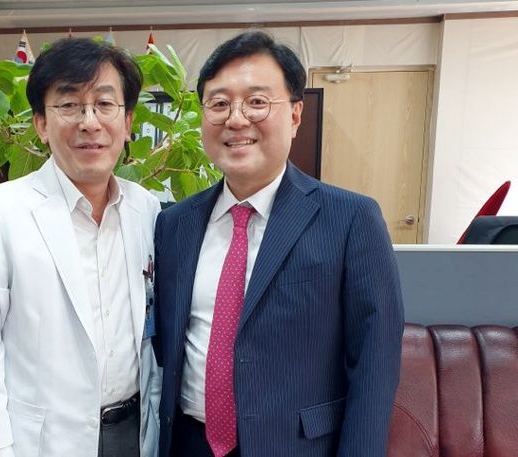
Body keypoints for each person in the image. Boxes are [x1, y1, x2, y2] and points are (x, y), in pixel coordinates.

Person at [153, 30, 404, 457]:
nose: (236, 119)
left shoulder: (351, 219)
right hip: (189, 443)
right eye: (219, 104)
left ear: (295, 115)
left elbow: (375, 364)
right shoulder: (174, 224)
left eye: (257, 101)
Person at [0, 38, 161, 457]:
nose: (89, 122)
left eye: (104, 104)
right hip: (43, 441)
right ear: (42, 124)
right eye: (69, 105)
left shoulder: (146, 209)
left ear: (128, 122)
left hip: (135, 431)